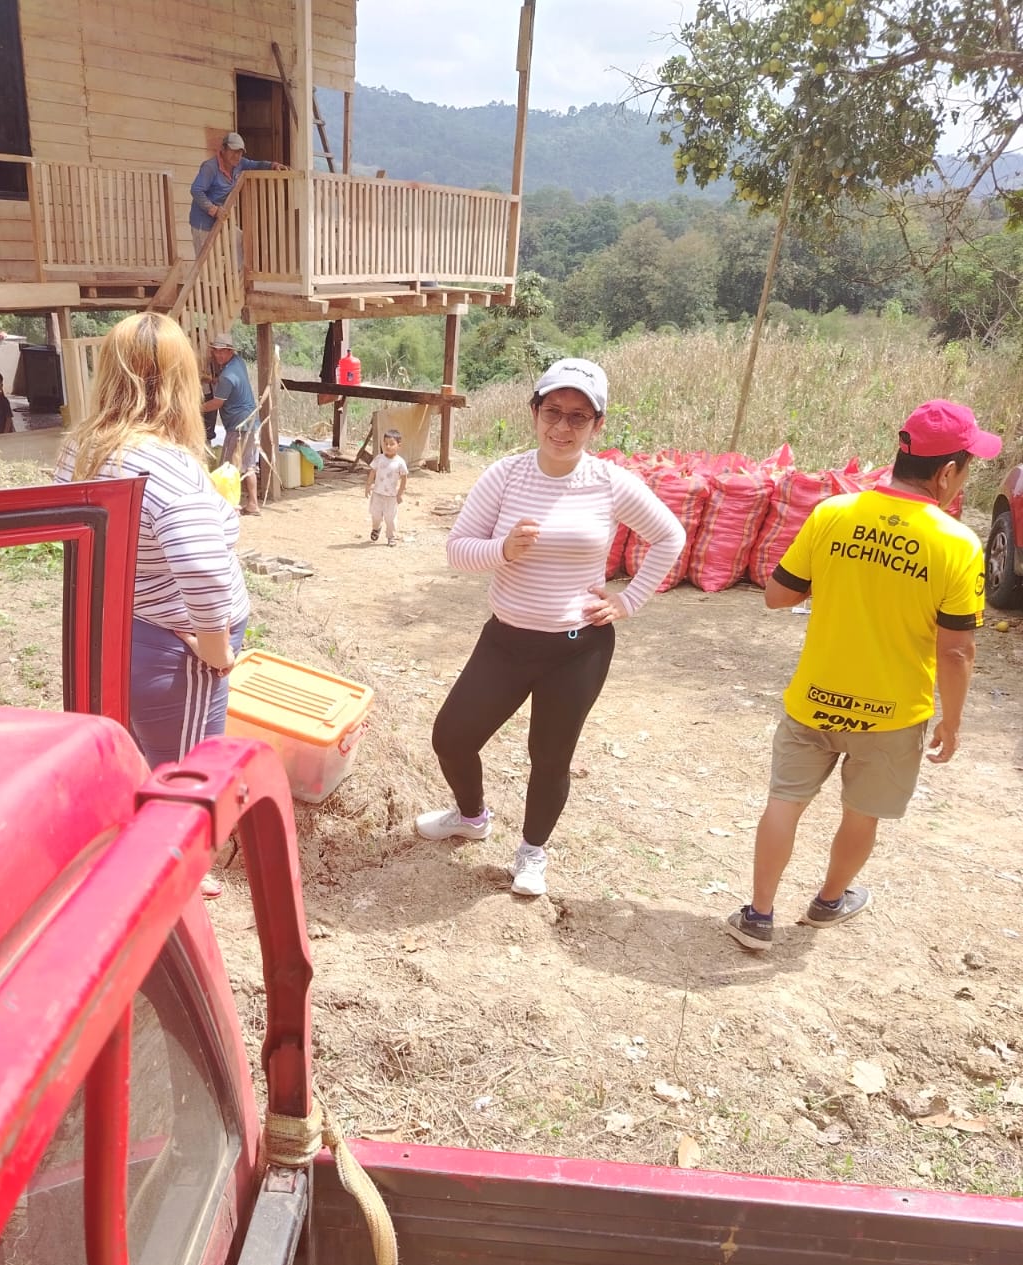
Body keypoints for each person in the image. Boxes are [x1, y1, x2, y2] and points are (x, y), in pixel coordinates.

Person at [726, 398, 999, 952]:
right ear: (947, 472)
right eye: (967, 468)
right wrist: (952, 721)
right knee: (862, 813)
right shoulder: (957, 544)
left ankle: (758, 915)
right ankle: (828, 902)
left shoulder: (833, 513)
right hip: (891, 715)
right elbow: (955, 652)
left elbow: (778, 596)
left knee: (785, 801)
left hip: (814, 698)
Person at [415, 357, 686, 898]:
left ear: (597, 424)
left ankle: (532, 851)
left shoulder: (610, 483)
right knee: (452, 736)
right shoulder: (505, 475)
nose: (562, 427)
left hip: (577, 649)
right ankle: (471, 816)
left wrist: (629, 600)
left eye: (578, 417)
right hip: (507, 640)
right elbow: (457, 549)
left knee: (550, 756)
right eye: (553, 412)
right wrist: (502, 549)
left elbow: (669, 537)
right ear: (534, 412)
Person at [54, 311, 250, 897]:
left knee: (141, 750)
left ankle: (140, 845)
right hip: (177, 645)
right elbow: (203, 569)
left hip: (120, 624)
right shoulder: (171, 468)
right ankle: (175, 873)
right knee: (184, 766)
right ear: (180, 381)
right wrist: (215, 647)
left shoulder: (81, 450)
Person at [189, 132, 288, 256]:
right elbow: (196, 190)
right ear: (223, 149)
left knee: (240, 241)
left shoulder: (239, 164)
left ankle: (239, 270)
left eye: (240, 152)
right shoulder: (210, 167)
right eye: (233, 151)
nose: (237, 156)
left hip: (222, 221)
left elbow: (255, 164)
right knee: (206, 263)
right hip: (203, 224)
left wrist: (273, 165)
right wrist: (214, 210)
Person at [203, 329, 260, 515]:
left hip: (238, 425)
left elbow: (217, 403)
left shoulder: (227, 376)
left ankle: (229, 506)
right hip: (251, 422)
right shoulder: (238, 363)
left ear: (230, 351)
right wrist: (215, 380)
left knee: (228, 468)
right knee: (248, 464)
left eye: (223, 352)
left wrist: (194, 408)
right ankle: (252, 504)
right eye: (216, 351)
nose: (218, 355)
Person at [365, 429, 408, 545]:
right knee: (375, 515)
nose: (388, 446)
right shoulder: (379, 458)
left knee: (390, 518)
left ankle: (391, 536)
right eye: (386, 443)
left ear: (399, 445)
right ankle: (376, 528)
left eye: (392, 444)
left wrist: (400, 494)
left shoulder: (400, 462)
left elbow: (404, 478)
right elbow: (373, 471)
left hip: (391, 497)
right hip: (377, 494)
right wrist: (368, 485)